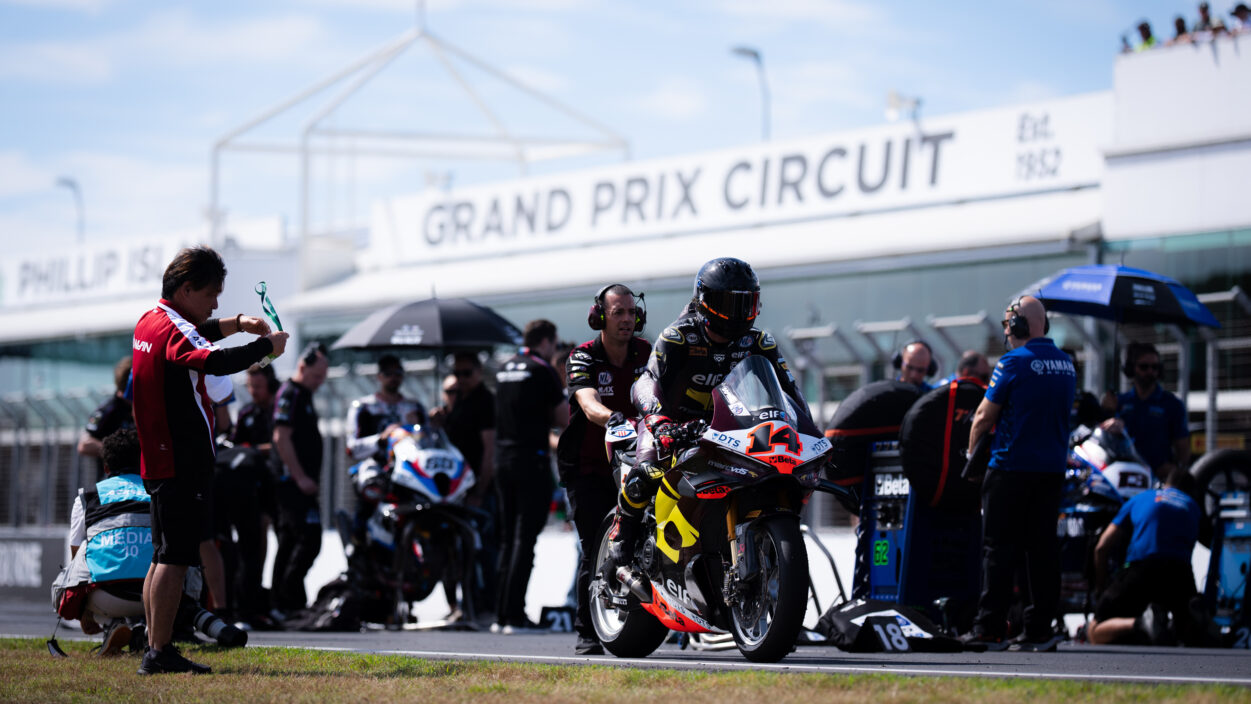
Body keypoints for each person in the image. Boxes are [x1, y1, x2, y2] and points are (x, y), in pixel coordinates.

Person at [131, 245, 287, 675]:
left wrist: (236, 324)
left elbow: (196, 336)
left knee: (163, 556)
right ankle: (159, 651)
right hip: (181, 458)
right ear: (185, 288)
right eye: (211, 294)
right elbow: (212, 361)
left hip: (162, 456)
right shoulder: (174, 330)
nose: (216, 303)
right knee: (176, 558)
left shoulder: (152, 320)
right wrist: (265, 348)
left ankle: (154, 644)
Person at [611, 257, 802, 563]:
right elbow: (646, 380)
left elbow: (790, 392)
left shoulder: (759, 342)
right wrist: (659, 421)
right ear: (704, 301)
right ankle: (622, 536)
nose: (736, 314)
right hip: (670, 423)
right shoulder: (679, 336)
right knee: (648, 473)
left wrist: (807, 430)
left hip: (726, 427)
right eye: (727, 303)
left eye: (745, 304)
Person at [962, 295, 1075, 652]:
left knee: (998, 550)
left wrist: (970, 456)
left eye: (1009, 325)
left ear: (1020, 327)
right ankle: (1039, 629)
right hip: (1052, 472)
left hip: (1010, 469)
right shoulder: (1068, 365)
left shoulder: (1013, 362)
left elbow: (983, 416)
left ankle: (989, 628)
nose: (1007, 332)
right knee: (1042, 551)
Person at [556, 284, 651, 655]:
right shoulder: (582, 357)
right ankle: (587, 632)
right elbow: (588, 402)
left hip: (641, 464)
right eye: (618, 313)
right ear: (599, 317)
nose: (627, 319)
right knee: (597, 544)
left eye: (631, 312)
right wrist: (615, 419)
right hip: (589, 469)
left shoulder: (648, 352)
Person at [492, 319, 568, 633]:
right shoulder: (542, 369)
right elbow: (563, 418)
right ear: (548, 341)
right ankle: (514, 615)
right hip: (531, 461)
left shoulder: (502, 368)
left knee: (508, 539)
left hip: (502, 460)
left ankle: (500, 615)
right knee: (525, 540)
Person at [1088, 467, 1201, 645]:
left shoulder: (1142, 497)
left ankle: (1141, 623)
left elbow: (1101, 547)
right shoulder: (1192, 506)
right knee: (1186, 631)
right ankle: (1193, 622)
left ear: (1165, 484)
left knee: (1095, 630)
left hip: (1141, 568)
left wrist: (1100, 589)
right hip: (1181, 574)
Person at [67, 428, 149, 655]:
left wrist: (82, 610)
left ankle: (111, 623)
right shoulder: (158, 492)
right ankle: (151, 628)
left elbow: (76, 558)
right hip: (159, 597)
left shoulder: (88, 496)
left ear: (105, 467)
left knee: (84, 548)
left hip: (107, 599)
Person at [430, 351, 498, 619]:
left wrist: (480, 491)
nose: (461, 379)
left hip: (477, 490)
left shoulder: (484, 401)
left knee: (483, 549)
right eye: (457, 374)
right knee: (453, 549)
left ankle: (485, 606)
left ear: (479, 372)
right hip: (453, 489)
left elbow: (489, 450)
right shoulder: (460, 401)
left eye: (466, 373)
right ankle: (459, 606)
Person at [218, 363, 280, 626]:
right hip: (246, 488)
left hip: (275, 485)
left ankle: (270, 600)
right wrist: (257, 450)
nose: (253, 391)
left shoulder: (281, 409)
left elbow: (281, 445)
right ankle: (242, 601)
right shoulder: (246, 413)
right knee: (249, 543)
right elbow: (235, 447)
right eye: (250, 386)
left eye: (258, 386)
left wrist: (255, 450)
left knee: (274, 541)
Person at [270, 342, 329, 616]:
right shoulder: (290, 393)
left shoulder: (303, 394)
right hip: (292, 485)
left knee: (294, 541)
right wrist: (300, 477)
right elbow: (281, 438)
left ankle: (288, 600)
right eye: (316, 376)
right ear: (302, 367)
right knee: (305, 539)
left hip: (301, 484)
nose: (320, 382)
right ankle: (285, 600)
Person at [344, 353, 427, 543]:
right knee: (369, 487)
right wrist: (381, 439)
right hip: (377, 466)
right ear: (379, 376)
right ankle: (358, 546)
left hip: (410, 469)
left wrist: (425, 427)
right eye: (388, 373)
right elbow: (351, 449)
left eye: (397, 372)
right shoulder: (363, 407)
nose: (393, 377)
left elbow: (429, 440)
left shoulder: (414, 406)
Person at [1102, 342, 1190, 480]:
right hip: (1125, 476)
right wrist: (1106, 411)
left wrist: (1176, 473)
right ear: (1132, 368)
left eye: (1155, 367)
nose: (1150, 372)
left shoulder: (1172, 404)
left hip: (1158, 478)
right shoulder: (1120, 402)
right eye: (1144, 367)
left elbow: (1183, 447)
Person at [77, 356, 134, 481]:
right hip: (113, 483)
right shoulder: (108, 410)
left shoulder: (147, 407)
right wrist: (118, 451)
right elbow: (84, 445)